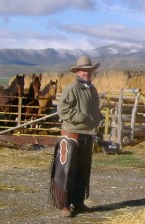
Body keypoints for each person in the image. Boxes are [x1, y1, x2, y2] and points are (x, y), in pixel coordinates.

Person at [49, 55, 103, 217]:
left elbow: (93, 110)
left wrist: (97, 118)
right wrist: (82, 118)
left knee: (82, 170)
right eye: (83, 70)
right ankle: (64, 204)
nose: (86, 73)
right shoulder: (72, 89)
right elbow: (63, 109)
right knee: (67, 170)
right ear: (78, 72)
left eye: (89, 70)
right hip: (72, 134)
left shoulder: (91, 89)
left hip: (87, 133)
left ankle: (78, 201)